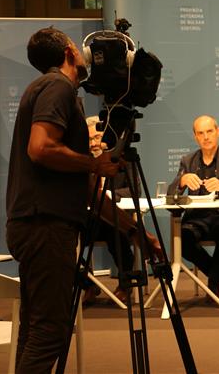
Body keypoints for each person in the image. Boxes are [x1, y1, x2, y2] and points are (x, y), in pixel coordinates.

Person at [5, 27, 159, 373]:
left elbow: (88, 189)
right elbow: (40, 148)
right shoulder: (57, 86)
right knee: (50, 331)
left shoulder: (47, 88)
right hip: (45, 226)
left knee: (36, 328)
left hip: (36, 224)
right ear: (70, 52)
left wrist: (135, 232)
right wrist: (93, 163)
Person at [168, 115, 219, 302]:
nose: (206, 137)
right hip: (196, 219)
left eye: (209, 131)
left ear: (218, 132)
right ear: (195, 137)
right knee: (182, 239)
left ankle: (213, 282)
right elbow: (171, 194)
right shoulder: (187, 160)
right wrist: (182, 181)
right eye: (201, 133)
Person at [82, 116, 136, 305]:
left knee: (116, 231)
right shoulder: (83, 162)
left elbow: (134, 190)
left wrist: (110, 195)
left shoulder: (120, 159)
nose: (93, 144)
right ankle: (88, 284)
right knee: (64, 239)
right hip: (88, 221)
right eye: (89, 139)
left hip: (114, 219)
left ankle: (125, 285)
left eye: (97, 138)